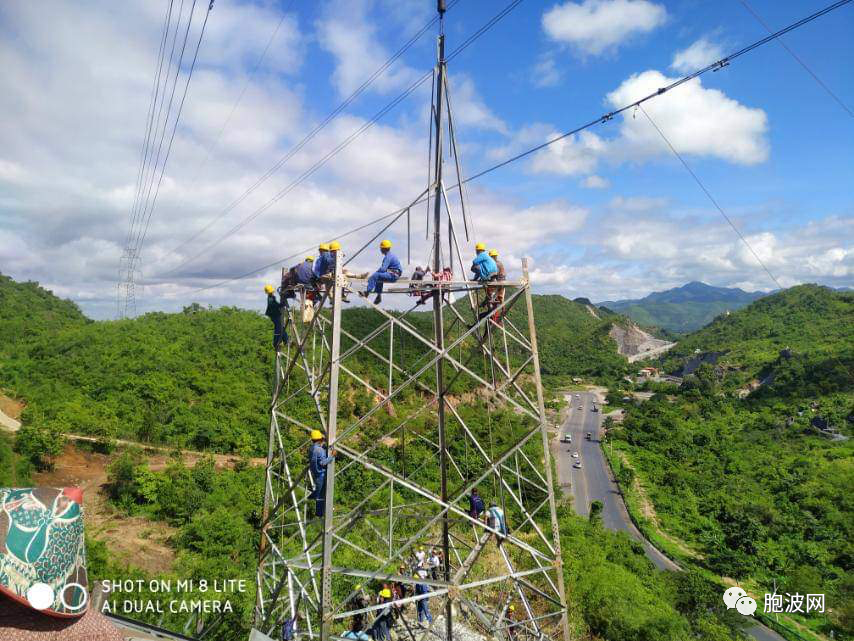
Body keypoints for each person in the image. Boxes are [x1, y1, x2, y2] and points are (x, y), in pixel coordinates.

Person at [361, 239, 402, 304]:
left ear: (383, 249)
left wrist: (373, 276)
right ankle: (378, 296)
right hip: (394, 274)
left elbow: (383, 269)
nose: (380, 250)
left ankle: (367, 292)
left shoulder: (388, 257)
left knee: (376, 276)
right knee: (378, 277)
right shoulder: (391, 255)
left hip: (393, 275)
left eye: (381, 248)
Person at [308, 429, 335, 517]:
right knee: (320, 494)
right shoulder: (320, 450)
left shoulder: (311, 448)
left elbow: (317, 456)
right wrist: (332, 456)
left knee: (319, 491)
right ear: (320, 440)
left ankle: (312, 497)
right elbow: (323, 462)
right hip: (321, 474)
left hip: (315, 472)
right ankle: (319, 513)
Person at [264, 284, 288, 350]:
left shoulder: (272, 297)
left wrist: (281, 304)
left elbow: (276, 305)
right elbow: (275, 305)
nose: (272, 292)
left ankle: (286, 340)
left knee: (281, 328)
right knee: (279, 328)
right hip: (274, 315)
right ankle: (277, 343)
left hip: (275, 315)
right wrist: (282, 304)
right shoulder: (270, 299)